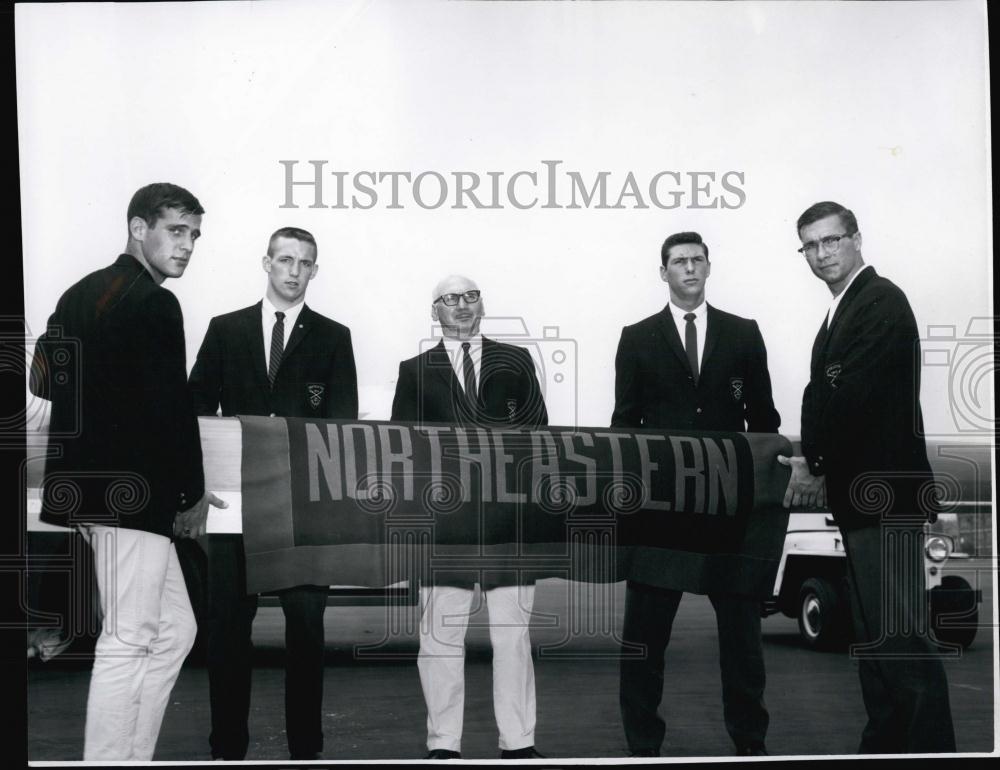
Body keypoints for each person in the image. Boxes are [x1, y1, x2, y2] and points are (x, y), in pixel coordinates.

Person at [29, 182, 226, 760]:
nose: (187, 245)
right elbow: (172, 408)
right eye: (175, 231)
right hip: (133, 499)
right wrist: (190, 492)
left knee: (175, 632)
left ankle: (129, 756)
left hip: (95, 497)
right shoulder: (156, 301)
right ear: (139, 229)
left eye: (194, 235)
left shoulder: (78, 294)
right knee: (129, 638)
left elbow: (42, 381)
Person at [780, 201, 956, 753]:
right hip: (862, 505)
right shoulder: (840, 312)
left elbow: (847, 396)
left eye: (831, 241)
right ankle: (883, 748)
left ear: (856, 239)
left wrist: (816, 466)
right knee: (873, 641)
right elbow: (824, 395)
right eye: (809, 245)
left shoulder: (880, 301)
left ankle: (930, 751)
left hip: (887, 502)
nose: (821, 254)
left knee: (900, 641)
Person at [188, 226, 358, 760]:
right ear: (266, 263)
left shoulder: (334, 336)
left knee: (306, 634)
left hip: (302, 516)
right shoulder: (225, 329)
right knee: (227, 635)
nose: (293, 271)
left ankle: (306, 751)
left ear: (314, 270)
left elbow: (342, 429)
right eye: (284, 260)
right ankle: (227, 750)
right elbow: (194, 412)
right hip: (234, 509)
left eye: (304, 263)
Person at [611, 231, 780, 757]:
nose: (688, 268)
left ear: (709, 267)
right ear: (663, 273)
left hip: (730, 513)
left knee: (742, 642)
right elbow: (624, 429)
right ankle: (643, 748)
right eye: (678, 261)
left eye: (696, 260)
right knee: (645, 639)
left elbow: (765, 421)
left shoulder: (743, 333)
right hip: (663, 514)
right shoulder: (636, 337)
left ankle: (751, 744)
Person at [390, 275, 548, 760]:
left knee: (513, 638)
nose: (461, 305)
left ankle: (519, 743)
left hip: (507, 523)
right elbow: (402, 448)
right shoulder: (415, 370)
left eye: (470, 296)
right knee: (440, 636)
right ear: (433, 310)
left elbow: (539, 435)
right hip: (445, 527)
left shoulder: (516, 360)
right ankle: (443, 745)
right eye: (449, 299)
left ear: (483, 303)